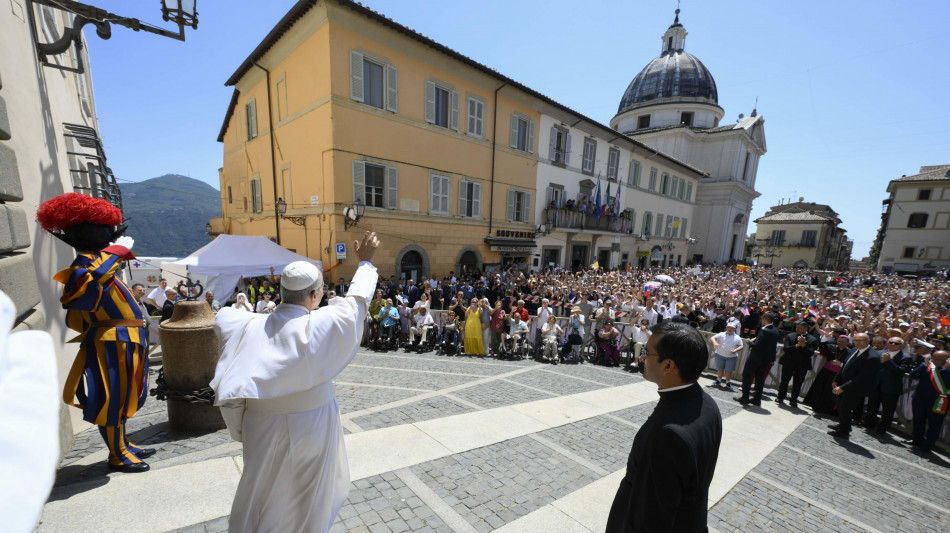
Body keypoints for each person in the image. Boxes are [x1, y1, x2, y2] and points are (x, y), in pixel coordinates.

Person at [210, 231, 380, 533]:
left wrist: (239, 429)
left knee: (263, 492)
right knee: (310, 496)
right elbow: (356, 303)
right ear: (315, 295)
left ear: (283, 291)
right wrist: (365, 263)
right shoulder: (322, 322)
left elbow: (233, 390)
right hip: (313, 423)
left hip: (261, 423)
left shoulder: (247, 325)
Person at [37, 193, 153, 473]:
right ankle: (118, 453)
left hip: (128, 341)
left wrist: (112, 256)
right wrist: (116, 252)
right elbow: (86, 292)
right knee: (112, 398)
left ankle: (124, 443)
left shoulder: (102, 267)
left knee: (125, 396)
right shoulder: (82, 269)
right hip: (110, 343)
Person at [607, 321, 722, 532]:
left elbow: (651, 517)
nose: (641, 357)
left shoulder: (667, 435)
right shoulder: (708, 404)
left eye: (647, 353)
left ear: (668, 365)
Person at [827, 333, 881, 441]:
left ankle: (844, 432)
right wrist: (836, 379)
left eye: (860, 341)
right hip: (844, 382)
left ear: (868, 341)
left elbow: (862, 377)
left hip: (855, 387)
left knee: (845, 408)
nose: (857, 343)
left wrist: (843, 387)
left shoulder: (872, 357)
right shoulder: (854, 349)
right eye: (855, 340)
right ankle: (843, 425)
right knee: (839, 404)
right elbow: (845, 365)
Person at [862, 337, 911, 435]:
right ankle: (869, 423)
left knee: (888, 410)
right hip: (876, 385)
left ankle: (882, 429)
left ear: (900, 345)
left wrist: (889, 361)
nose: (893, 344)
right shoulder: (879, 353)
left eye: (896, 343)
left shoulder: (905, 357)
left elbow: (900, 371)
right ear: (887, 343)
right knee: (872, 406)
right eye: (891, 342)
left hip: (891, 388)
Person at [905, 349, 950, 453]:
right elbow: (913, 375)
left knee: (934, 425)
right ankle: (916, 440)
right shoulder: (928, 365)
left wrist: (946, 370)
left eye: (940, 359)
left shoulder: (948, 370)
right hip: (920, 398)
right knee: (918, 420)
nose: (936, 361)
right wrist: (924, 365)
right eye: (934, 358)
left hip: (938, 402)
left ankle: (927, 445)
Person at [735, 313, 780, 406]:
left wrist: (750, 342)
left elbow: (757, 345)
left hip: (756, 357)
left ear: (766, 320)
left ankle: (745, 397)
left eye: (763, 318)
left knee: (747, 375)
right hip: (766, 359)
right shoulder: (775, 330)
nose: (761, 320)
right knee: (760, 380)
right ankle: (757, 399)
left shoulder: (764, 331)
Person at [804, 334, 853, 416]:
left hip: (837, 375)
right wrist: (826, 336)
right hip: (826, 372)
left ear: (847, 343)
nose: (840, 343)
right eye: (839, 341)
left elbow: (850, 364)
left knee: (830, 392)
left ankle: (826, 409)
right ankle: (815, 405)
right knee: (820, 388)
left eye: (843, 342)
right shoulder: (831, 347)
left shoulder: (850, 352)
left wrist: (840, 364)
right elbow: (821, 346)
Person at [776, 320, 818, 407]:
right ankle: (780, 397)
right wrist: (797, 345)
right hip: (789, 362)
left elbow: (810, 353)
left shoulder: (813, 339)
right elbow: (786, 349)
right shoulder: (790, 335)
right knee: (784, 381)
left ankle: (793, 400)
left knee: (798, 383)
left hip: (802, 365)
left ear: (806, 328)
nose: (797, 329)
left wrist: (803, 346)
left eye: (800, 328)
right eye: (797, 327)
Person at [711, 319, 744, 390]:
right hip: (720, 354)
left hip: (731, 357)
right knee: (720, 369)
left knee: (729, 371)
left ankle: (728, 382)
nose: (730, 329)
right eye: (729, 327)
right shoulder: (721, 334)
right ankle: (718, 380)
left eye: (732, 328)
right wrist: (715, 343)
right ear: (726, 327)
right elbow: (712, 337)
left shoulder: (737, 337)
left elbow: (741, 346)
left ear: (735, 329)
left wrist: (735, 350)